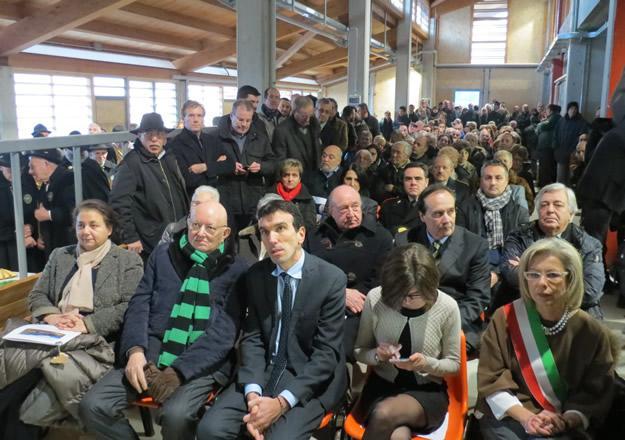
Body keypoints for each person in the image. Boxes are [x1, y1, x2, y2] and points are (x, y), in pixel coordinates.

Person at [80, 200, 247, 439]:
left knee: (176, 417)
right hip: (150, 354)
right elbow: (139, 304)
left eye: (210, 228)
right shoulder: (163, 255)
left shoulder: (237, 269)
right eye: (195, 224)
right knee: (92, 405)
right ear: (187, 222)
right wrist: (135, 351)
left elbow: (224, 334)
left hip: (200, 364)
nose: (200, 233)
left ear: (225, 233)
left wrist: (177, 372)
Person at [197, 199, 347, 440]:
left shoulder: (330, 279)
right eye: (265, 232)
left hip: (308, 377)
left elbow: (326, 354)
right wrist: (253, 394)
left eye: (280, 228)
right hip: (263, 370)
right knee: (210, 429)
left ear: (300, 234)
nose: (272, 239)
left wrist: (281, 403)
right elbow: (253, 338)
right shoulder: (256, 275)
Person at [0, 199, 143, 438]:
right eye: (81, 225)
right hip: (51, 331)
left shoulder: (126, 261)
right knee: (16, 372)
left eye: (94, 225)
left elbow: (130, 306)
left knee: (22, 391)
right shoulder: (60, 256)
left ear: (109, 229)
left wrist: (87, 323)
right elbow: (37, 294)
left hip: (94, 340)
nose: (85, 231)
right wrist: (52, 316)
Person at [477, 238, 616, 439]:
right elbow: (492, 378)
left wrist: (568, 418)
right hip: (512, 415)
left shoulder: (591, 331)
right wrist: (527, 417)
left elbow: (596, 389)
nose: (541, 283)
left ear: (570, 279)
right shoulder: (504, 318)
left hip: (566, 419)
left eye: (552, 275)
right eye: (533, 275)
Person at [352, 244, 461, 439]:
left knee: (385, 414)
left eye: (412, 295)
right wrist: (378, 354)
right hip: (381, 385)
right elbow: (360, 350)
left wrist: (426, 363)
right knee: (398, 436)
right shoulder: (376, 298)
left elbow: (453, 364)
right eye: (397, 293)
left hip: (426, 390)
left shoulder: (447, 307)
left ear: (430, 287)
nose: (404, 301)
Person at [396, 184, 490, 353]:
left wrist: (441, 325)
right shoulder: (405, 241)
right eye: (438, 214)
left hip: (457, 319)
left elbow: (477, 298)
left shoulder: (475, 245)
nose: (447, 219)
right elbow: (396, 288)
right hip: (411, 316)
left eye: (451, 211)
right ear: (422, 216)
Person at [308, 185, 393, 361]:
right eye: (343, 209)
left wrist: (355, 299)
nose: (351, 213)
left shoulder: (381, 237)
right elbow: (308, 276)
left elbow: (382, 280)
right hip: (322, 306)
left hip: (364, 309)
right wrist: (340, 294)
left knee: (335, 348)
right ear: (330, 211)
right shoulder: (314, 237)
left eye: (355, 206)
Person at [500, 183, 605, 319]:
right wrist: (568, 280)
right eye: (544, 205)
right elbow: (511, 275)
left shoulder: (588, 244)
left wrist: (528, 271)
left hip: (573, 314)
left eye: (558, 205)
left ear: (571, 214)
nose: (550, 210)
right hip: (528, 312)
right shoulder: (519, 236)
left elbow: (590, 291)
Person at [110, 112, 188, 258]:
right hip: (150, 240)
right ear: (139, 136)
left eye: (159, 134)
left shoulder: (168, 159)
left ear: (165, 139)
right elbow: (118, 204)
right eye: (148, 134)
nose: (154, 139)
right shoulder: (131, 163)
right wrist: (130, 237)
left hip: (176, 233)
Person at [457, 160, 529, 288]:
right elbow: (461, 245)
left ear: (507, 181)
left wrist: (497, 274)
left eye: (498, 178)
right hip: (475, 267)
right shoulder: (464, 208)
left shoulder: (519, 212)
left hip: (507, 269)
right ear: (481, 181)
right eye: (488, 178)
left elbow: (520, 250)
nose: (493, 182)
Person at [209, 99, 276, 235]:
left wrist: (261, 167)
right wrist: (228, 167)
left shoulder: (260, 138)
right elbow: (209, 167)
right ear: (231, 116)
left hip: (253, 199)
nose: (244, 124)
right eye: (240, 119)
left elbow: (273, 164)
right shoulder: (215, 138)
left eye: (248, 120)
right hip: (226, 199)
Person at [28, 148, 76, 258]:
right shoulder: (47, 183)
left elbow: (74, 212)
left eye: (32, 166)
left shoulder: (67, 180)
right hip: (54, 248)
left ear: (45, 163)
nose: (30, 171)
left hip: (67, 248)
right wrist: (41, 235)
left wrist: (49, 215)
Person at [169, 100, 216, 197]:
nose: (196, 120)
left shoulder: (212, 140)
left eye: (199, 115)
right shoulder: (175, 144)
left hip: (215, 197)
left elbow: (229, 165)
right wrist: (216, 168)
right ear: (183, 118)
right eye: (191, 115)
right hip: (192, 199)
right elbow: (188, 179)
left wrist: (205, 167)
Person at [273, 95, 322, 175]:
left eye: (310, 115)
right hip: (294, 177)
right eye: (304, 116)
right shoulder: (282, 130)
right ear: (294, 112)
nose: (308, 120)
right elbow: (280, 161)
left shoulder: (315, 125)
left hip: (314, 175)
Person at [379, 162, 429, 235]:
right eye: (408, 179)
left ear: (426, 182)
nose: (413, 183)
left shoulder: (434, 207)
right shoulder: (388, 205)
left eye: (418, 179)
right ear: (403, 182)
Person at [273, 158, 317, 232]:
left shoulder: (307, 200)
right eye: (286, 175)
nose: (290, 179)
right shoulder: (270, 195)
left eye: (294, 175)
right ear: (281, 177)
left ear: (299, 178)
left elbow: (309, 225)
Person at [553, 102, 588, 185]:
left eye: (575, 109)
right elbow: (555, 134)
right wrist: (556, 148)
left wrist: (575, 150)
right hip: (561, 153)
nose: (573, 111)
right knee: (560, 178)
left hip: (573, 155)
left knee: (571, 178)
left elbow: (582, 137)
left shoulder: (581, 122)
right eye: (571, 108)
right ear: (568, 110)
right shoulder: (561, 121)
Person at [535, 104, 562, 187]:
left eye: (547, 109)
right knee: (544, 166)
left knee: (546, 167)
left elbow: (544, 126)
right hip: (545, 146)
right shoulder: (551, 117)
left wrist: (540, 125)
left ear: (551, 110)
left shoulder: (556, 117)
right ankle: (543, 183)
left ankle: (545, 184)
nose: (546, 111)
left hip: (548, 147)